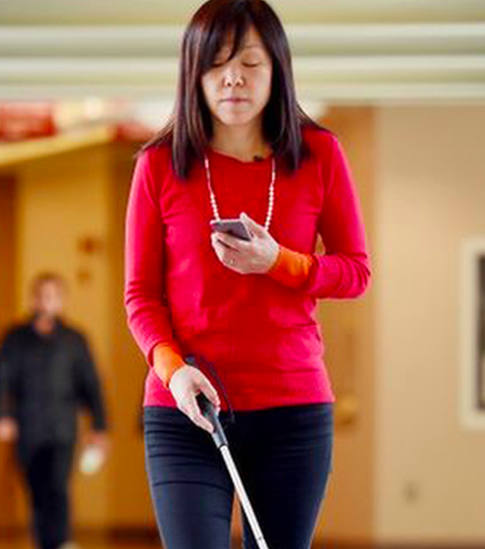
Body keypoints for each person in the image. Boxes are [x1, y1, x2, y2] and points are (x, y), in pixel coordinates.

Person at [124, 1, 371, 547]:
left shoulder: (320, 155)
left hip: (294, 409)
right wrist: (173, 371)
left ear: (278, 70)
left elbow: (355, 272)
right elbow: (141, 296)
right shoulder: (159, 165)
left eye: (251, 62)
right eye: (216, 62)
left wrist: (279, 262)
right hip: (186, 407)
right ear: (194, 73)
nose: (233, 76)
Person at [0, 273, 109, 549]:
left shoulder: (75, 340)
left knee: (57, 485)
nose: (46, 301)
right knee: (37, 493)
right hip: (27, 429)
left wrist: (100, 427)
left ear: (61, 301)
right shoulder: (14, 339)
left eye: (52, 295)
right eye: (42, 295)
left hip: (63, 429)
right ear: (34, 298)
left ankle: (64, 542)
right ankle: (47, 544)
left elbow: (92, 386)